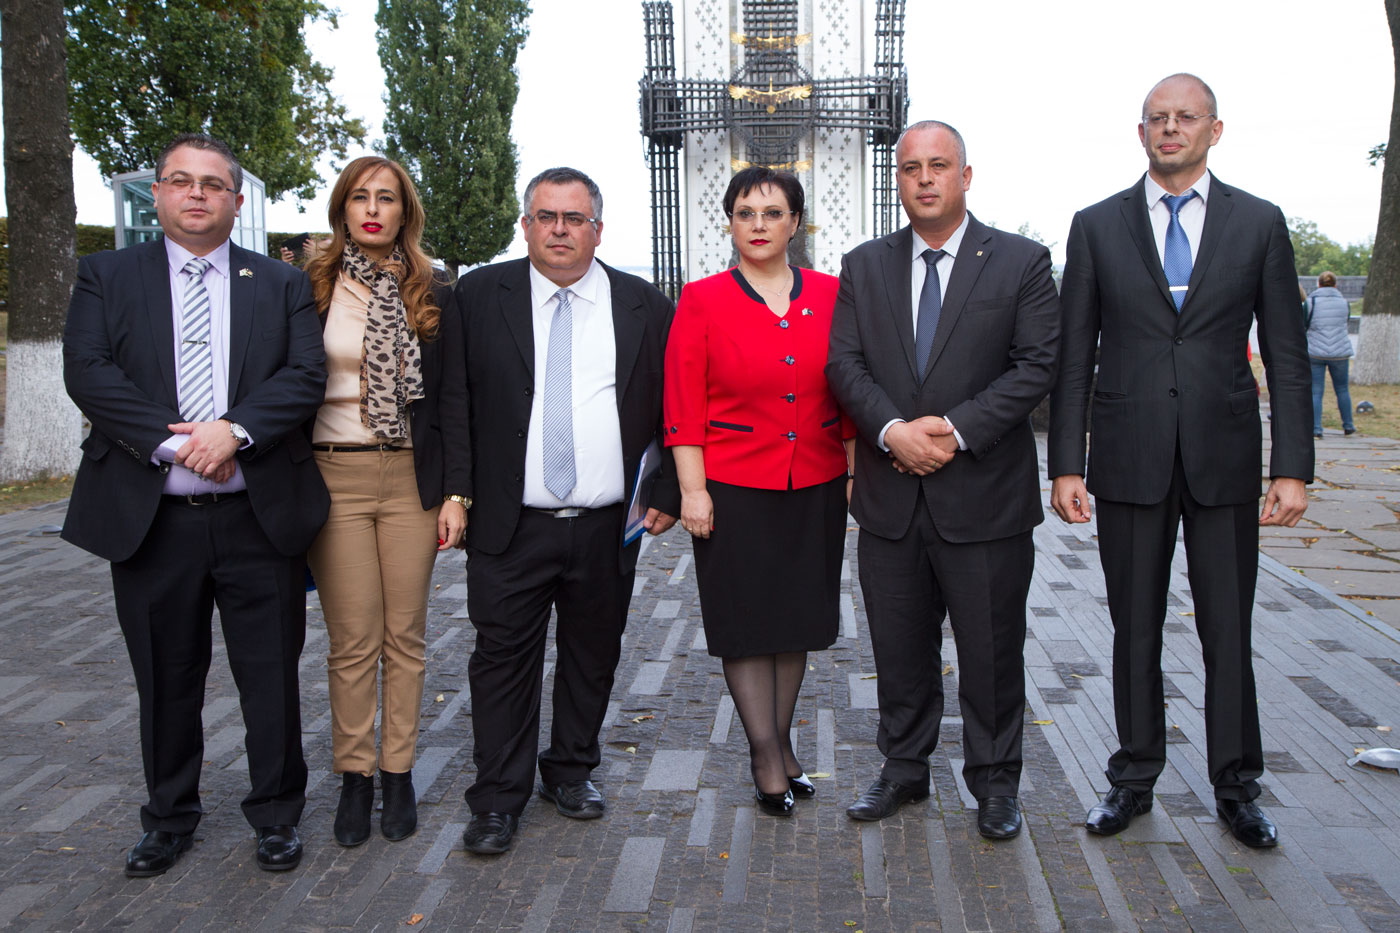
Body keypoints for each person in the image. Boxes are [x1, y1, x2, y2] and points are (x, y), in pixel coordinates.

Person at [1048, 74, 1312, 849]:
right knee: (1134, 627)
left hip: (1224, 457)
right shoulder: (1096, 225)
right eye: (1157, 118)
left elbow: (1288, 355)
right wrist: (1066, 463)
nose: (1171, 128)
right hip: (1128, 456)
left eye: (1185, 117)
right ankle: (1132, 778)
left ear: (1213, 130)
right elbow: (1074, 357)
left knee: (1227, 628)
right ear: (1141, 134)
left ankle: (1237, 787)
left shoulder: (1258, 223)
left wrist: (1291, 466)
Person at [61, 133, 329, 875]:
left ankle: (276, 816)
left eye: (212, 184)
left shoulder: (280, 283)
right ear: (158, 194)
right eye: (181, 181)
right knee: (165, 677)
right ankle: (169, 817)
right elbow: (88, 371)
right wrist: (176, 443)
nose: (196, 194)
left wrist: (232, 431)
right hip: (153, 521)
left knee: (270, 677)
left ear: (236, 202)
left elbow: (304, 375)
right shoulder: (106, 275)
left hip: (257, 518)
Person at [826, 121, 1060, 839]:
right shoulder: (864, 265)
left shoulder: (1020, 261)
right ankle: (903, 769)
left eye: (938, 165)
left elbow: (1036, 365)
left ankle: (995, 783)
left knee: (991, 652)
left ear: (966, 175)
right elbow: (843, 365)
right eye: (910, 168)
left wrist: (953, 431)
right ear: (897, 180)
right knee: (897, 648)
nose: (924, 178)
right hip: (891, 498)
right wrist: (892, 430)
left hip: (985, 500)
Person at [452, 167, 679, 855]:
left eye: (574, 218)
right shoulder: (478, 295)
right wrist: (454, 493)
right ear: (525, 226)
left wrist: (668, 489)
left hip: (609, 525)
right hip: (509, 523)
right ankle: (498, 799)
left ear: (597, 230)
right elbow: (453, 402)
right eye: (545, 216)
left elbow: (675, 404)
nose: (559, 230)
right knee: (502, 661)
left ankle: (572, 771)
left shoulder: (643, 304)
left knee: (592, 654)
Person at [664, 167, 852, 816]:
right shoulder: (702, 299)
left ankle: (782, 742)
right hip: (732, 488)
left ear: (795, 223)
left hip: (816, 483)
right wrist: (692, 490)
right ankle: (765, 755)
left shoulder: (832, 293)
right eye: (745, 213)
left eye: (773, 213)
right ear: (730, 224)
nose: (759, 225)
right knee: (746, 625)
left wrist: (855, 473)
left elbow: (849, 388)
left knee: (793, 621)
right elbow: (682, 403)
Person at [301, 157, 469, 847]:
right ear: (342, 208)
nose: (373, 209)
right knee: (353, 640)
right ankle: (355, 774)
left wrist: (456, 492)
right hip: (332, 476)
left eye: (387, 198)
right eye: (360, 197)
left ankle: (397, 772)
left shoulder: (434, 290)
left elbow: (453, 401)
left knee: (405, 636)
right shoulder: (310, 287)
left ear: (406, 212)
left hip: (409, 479)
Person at [1305, 271, 1356, 438]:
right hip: (1340, 352)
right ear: (1335, 284)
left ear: (1318, 284)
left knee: (1316, 391)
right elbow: (1345, 321)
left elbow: (1304, 323)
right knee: (1342, 389)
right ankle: (1348, 425)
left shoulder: (1311, 302)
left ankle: (1316, 429)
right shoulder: (1344, 303)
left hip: (1316, 352)